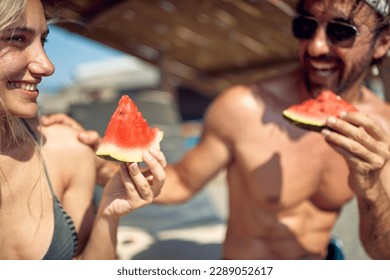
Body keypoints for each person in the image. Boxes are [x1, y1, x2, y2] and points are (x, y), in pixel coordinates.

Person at [43, 0, 390, 259]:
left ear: (382, 43)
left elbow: (382, 254)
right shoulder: (242, 107)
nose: (315, 46)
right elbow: (181, 184)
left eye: (341, 32)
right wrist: (96, 159)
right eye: (305, 27)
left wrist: (372, 188)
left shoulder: (384, 129)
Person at [0, 0, 166, 260]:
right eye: (18, 38)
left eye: (43, 41)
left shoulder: (65, 149)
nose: (48, 66)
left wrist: (108, 216)